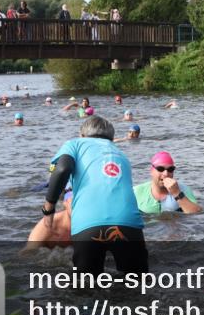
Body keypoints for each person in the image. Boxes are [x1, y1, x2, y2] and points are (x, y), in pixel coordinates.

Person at [41, 115, 147, 275]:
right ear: (111, 138)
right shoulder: (121, 155)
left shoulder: (74, 144)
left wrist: (49, 209)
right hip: (128, 223)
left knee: (86, 288)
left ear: (82, 135)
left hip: (88, 224)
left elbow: (61, 169)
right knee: (139, 285)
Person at [133, 152, 202, 214]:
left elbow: (197, 214)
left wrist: (177, 193)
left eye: (170, 169)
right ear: (151, 171)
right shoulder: (136, 192)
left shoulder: (183, 190)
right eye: (160, 169)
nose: (166, 174)